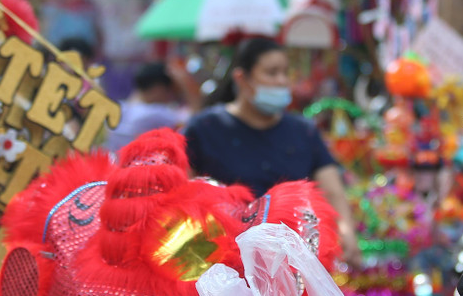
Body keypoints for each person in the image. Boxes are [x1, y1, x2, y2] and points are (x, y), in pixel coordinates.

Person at [184, 38, 362, 265]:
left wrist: (346, 233)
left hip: (293, 262)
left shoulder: (303, 132)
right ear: (242, 79)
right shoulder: (205, 128)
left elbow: (332, 190)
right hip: (224, 263)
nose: (281, 81)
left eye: (285, 73)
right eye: (271, 73)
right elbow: (182, 192)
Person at [107, 61, 201, 152]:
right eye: (170, 90)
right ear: (158, 88)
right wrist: (184, 81)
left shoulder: (121, 108)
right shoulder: (155, 114)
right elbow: (195, 118)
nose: (172, 96)